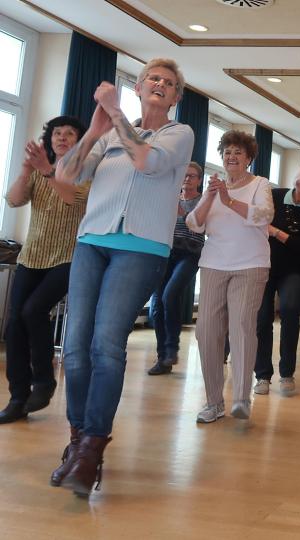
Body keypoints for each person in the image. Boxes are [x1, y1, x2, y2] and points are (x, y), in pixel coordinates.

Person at [51, 58, 194, 496]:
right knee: (74, 347)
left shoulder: (179, 133)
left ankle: (92, 448)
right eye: (153, 78)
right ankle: (78, 444)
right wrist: (94, 131)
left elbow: (148, 163)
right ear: (138, 85)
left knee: (105, 344)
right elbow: (67, 175)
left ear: (175, 97)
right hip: (92, 240)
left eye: (169, 83)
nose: (160, 85)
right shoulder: (110, 131)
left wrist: (114, 114)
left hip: (142, 247)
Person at [0, 116, 89, 424]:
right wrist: (27, 169)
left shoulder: (84, 172)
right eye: (56, 134)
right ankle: (18, 397)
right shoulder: (37, 172)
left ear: (80, 140)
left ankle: (44, 381)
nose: (62, 138)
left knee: (33, 311)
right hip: (31, 255)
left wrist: (47, 171)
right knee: (14, 324)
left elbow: (71, 200)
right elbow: (12, 200)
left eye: (69, 133)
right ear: (49, 140)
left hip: (68, 256)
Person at [187, 130, 273, 423]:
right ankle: (214, 402)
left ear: (249, 158)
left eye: (238, 152)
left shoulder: (260, 184)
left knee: (241, 327)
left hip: (251, 265)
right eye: (227, 152)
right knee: (206, 331)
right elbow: (194, 224)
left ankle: (240, 397)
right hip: (213, 264)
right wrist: (212, 197)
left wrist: (229, 199)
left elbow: (264, 216)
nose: (231, 156)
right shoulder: (214, 187)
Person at [254, 164, 300, 396]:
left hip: (293, 270)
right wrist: (282, 235)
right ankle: (263, 375)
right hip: (265, 265)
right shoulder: (273, 197)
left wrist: (274, 231)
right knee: (262, 319)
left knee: (290, 311)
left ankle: (287, 373)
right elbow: (257, 224)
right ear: (298, 184)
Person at [146, 162, 205, 375]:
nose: (187, 179)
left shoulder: (203, 200)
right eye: (184, 176)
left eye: (192, 176)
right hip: (165, 252)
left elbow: (202, 226)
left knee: (170, 295)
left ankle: (172, 348)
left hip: (190, 254)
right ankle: (163, 357)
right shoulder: (169, 198)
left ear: (199, 180)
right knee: (156, 304)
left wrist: (182, 214)